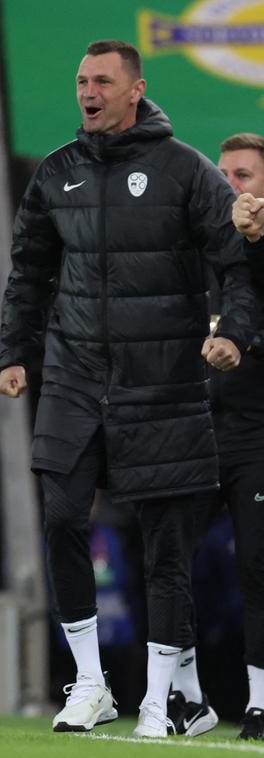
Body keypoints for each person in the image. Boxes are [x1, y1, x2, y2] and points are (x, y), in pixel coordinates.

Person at [0, 40, 256, 738]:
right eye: (81, 80)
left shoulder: (184, 172)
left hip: (164, 382)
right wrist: (14, 353)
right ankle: (89, 684)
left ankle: (161, 698)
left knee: (164, 546)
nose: (88, 91)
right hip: (77, 378)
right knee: (61, 517)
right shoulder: (55, 175)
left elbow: (234, 263)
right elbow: (27, 274)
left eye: (102, 81)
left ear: (135, 90)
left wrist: (233, 331)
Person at [210, 132, 264, 741]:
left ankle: (257, 701)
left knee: (256, 566)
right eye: (224, 175)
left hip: (256, 429)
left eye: (244, 175)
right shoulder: (202, 243)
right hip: (196, 423)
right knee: (166, 557)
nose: (233, 188)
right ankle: (175, 693)